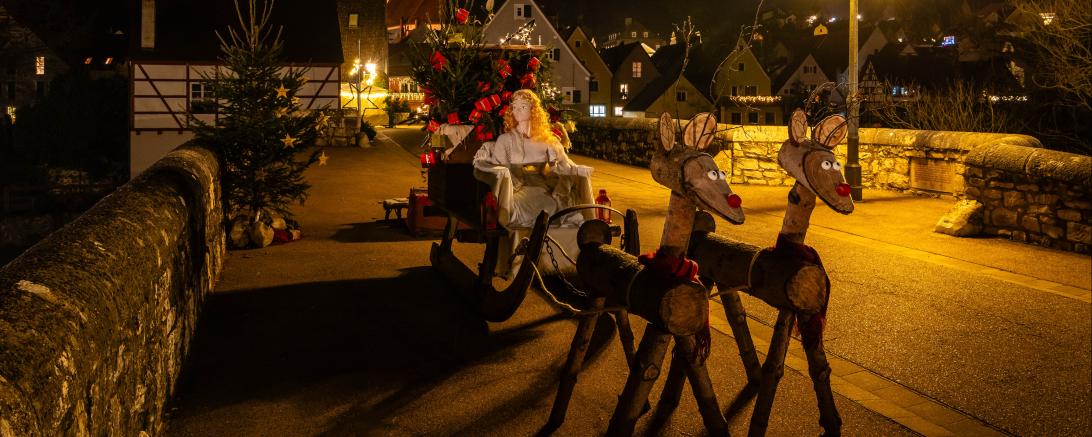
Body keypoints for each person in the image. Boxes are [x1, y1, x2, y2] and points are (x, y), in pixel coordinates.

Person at [473, 89, 594, 228]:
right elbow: (495, 167)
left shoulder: (547, 140)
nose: (517, 111)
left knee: (557, 198)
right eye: (515, 107)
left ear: (533, 110)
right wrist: (510, 176)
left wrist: (575, 171)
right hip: (517, 187)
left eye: (523, 106)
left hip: (542, 184)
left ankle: (583, 224)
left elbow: (563, 164)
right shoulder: (506, 140)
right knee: (532, 204)